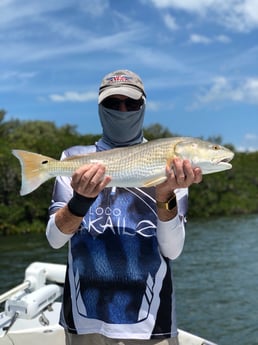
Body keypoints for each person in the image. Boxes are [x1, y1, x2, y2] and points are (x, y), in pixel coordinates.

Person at [46, 69, 202, 345]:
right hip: (83, 322)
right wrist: (80, 201)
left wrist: (165, 193)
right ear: (99, 107)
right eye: (112, 103)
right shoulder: (73, 159)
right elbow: (54, 239)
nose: (122, 110)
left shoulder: (172, 165)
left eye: (131, 103)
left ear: (143, 106)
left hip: (152, 324)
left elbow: (173, 251)